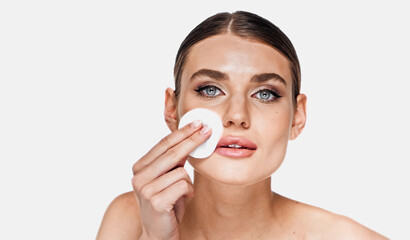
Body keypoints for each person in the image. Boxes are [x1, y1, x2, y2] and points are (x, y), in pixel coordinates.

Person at [96, 11, 388, 239]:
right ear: (172, 109)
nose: (237, 115)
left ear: (297, 117)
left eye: (265, 94)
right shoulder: (129, 219)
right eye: (210, 90)